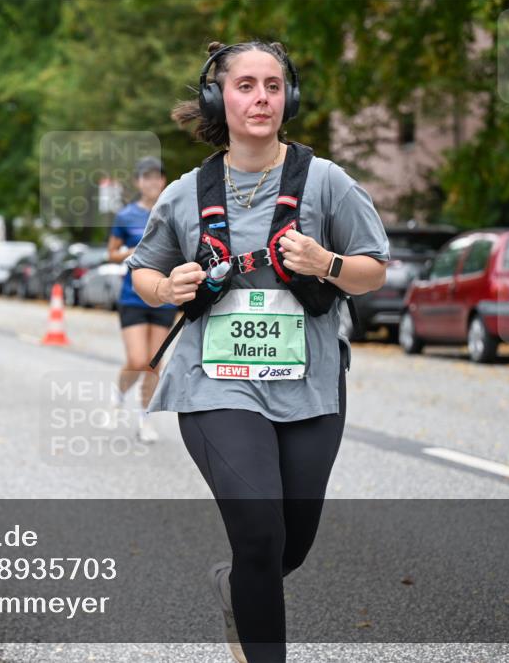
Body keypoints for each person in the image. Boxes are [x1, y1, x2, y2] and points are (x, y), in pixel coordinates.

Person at [127, 41, 389, 663]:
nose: (261, 98)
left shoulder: (327, 182)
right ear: (218, 98)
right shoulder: (186, 192)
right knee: (259, 533)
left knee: (287, 546)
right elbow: (143, 271)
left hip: (310, 382)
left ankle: (236, 587)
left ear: (287, 98)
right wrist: (167, 287)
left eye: (273, 85)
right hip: (215, 381)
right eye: (245, 85)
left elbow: (374, 270)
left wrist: (326, 263)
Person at [106, 156, 177, 442]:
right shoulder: (125, 216)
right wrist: (133, 252)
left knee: (154, 362)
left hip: (165, 297)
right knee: (137, 360)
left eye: (157, 176)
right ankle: (118, 394)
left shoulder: (173, 211)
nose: (152, 182)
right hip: (133, 297)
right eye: (146, 177)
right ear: (138, 182)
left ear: (164, 181)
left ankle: (145, 419)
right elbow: (111, 253)